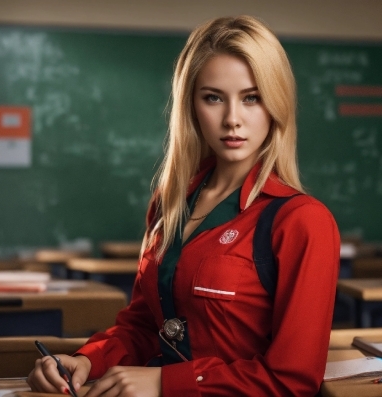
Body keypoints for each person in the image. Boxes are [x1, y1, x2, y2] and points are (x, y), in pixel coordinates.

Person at [27, 15, 340, 397]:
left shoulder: (302, 221)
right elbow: (143, 326)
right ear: (191, 105)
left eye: (251, 97)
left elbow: (292, 381)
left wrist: (165, 382)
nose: (232, 119)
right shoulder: (170, 202)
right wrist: (89, 359)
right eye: (213, 97)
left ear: (276, 104)